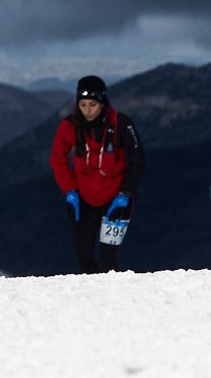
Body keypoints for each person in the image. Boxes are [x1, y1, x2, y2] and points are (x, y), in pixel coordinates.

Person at [49, 75, 146, 273]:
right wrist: (69, 190)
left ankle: (112, 296)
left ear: (102, 102)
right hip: (82, 199)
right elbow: (57, 159)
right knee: (84, 256)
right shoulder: (69, 125)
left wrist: (125, 193)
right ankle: (94, 298)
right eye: (82, 104)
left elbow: (138, 160)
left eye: (92, 104)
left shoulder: (121, 124)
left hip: (116, 200)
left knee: (108, 258)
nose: (87, 110)